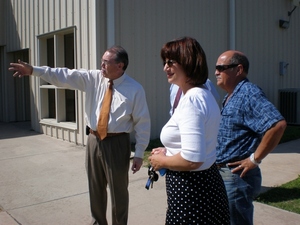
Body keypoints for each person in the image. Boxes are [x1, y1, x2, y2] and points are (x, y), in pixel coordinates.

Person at [9, 46, 151, 225]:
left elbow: (142, 123)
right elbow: (65, 75)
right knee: (95, 188)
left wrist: (139, 153)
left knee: (118, 192)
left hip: (117, 143)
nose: (101, 65)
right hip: (93, 140)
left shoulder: (135, 89)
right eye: (102, 61)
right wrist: (34, 71)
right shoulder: (93, 78)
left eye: (106, 63)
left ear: (120, 65)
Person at [149, 37, 230, 225]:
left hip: (191, 193)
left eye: (171, 62)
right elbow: (196, 146)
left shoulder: (192, 100)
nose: (165, 68)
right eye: (164, 62)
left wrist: (162, 161)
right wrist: (169, 151)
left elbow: (192, 160)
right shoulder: (203, 94)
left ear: (187, 61)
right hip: (206, 185)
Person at [215, 50, 287, 225]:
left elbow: (277, 125)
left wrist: (254, 159)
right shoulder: (231, 96)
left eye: (221, 68)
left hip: (236, 177)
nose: (216, 72)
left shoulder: (248, 93)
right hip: (226, 175)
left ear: (238, 70)